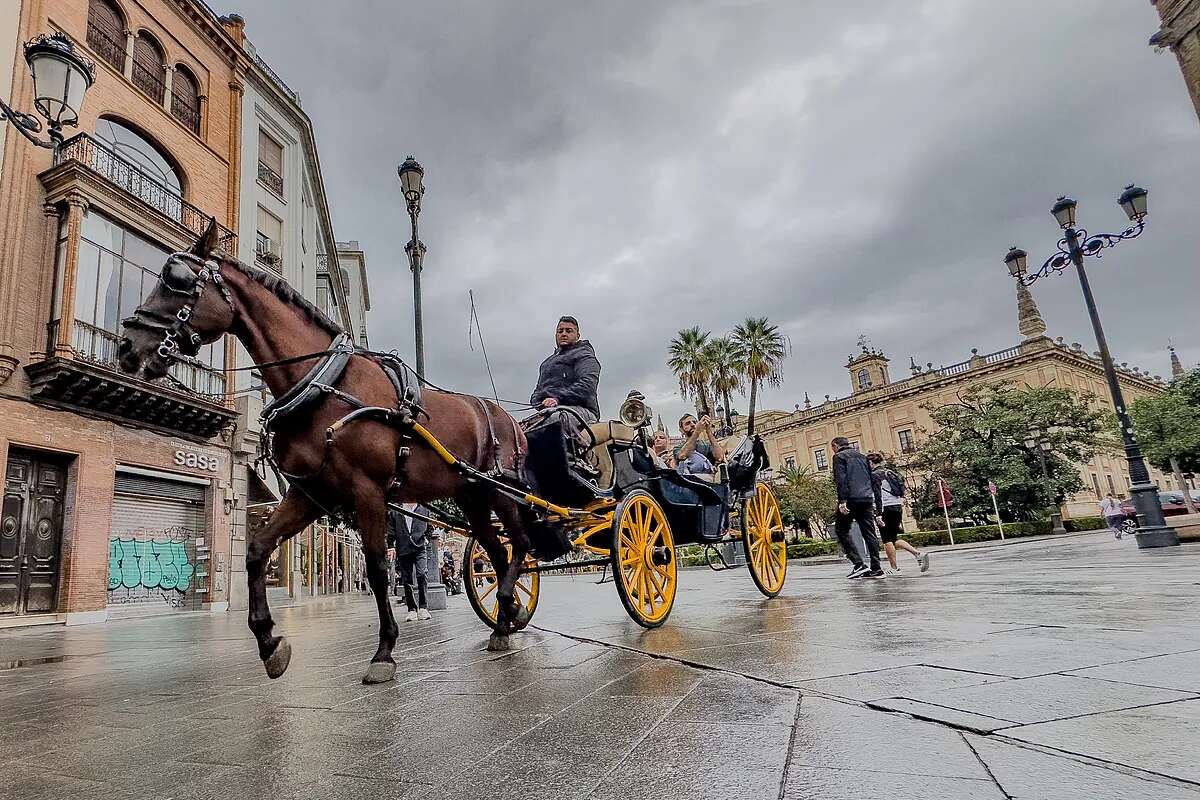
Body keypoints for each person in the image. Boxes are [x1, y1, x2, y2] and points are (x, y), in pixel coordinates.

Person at [868, 453, 930, 575]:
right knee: (893, 538)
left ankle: (894, 568)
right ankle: (918, 554)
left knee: (886, 540)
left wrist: (878, 513)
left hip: (885, 508)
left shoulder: (875, 475)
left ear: (871, 463)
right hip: (897, 506)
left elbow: (877, 495)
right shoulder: (890, 472)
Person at [530, 316, 602, 422]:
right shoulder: (546, 364)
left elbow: (587, 385)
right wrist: (541, 401)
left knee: (555, 420)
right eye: (560, 331)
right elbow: (537, 392)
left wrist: (557, 399)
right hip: (550, 411)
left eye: (569, 331)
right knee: (520, 429)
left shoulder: (584, 356)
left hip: (583, 411)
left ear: (577, 335)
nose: (564, 334)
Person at [831, 437, 883, 579]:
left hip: (851, 499)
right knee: (869, 533)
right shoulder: (862, 457)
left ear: (835, 446)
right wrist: (877, 507)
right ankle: (877, 568)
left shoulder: (839, 456)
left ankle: (859, 564)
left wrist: (842, 500)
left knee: (841, 530)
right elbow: (871, 479)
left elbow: (841, 479)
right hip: (866, 498)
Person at [387, 503, 431, 621]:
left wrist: (426, 538)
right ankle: (412, 609)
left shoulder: (424, 509)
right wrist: (391, 546)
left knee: (422, 574)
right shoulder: (396, 510)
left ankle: (423, 607)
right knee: (407, 579)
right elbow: (391, 529)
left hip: (420, 547)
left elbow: (430, 525)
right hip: (403, 548)